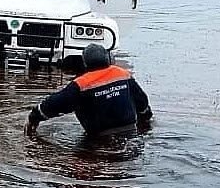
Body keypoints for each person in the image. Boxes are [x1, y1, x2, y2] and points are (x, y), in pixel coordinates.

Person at [24, 44, 152, 137]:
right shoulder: (122, 74)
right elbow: (142, 101)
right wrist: (146, 119)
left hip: (99, 138)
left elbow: (55, 104)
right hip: (130, 132)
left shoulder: (81, 84)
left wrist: (34, 117)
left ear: (85, 63)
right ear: (107, 59)